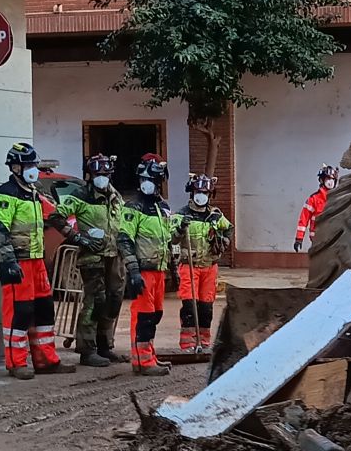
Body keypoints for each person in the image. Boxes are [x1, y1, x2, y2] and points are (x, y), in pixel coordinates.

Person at [0, 141, 70, 379]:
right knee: (19, 312)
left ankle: (46, 361)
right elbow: (0, 230)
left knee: (44, 310)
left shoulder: (34, 194)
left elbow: (54, 217)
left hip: (37, 261)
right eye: (29, 165)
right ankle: (16, 363)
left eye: (33, 164)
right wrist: (9, 261)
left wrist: (78, 237)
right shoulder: (5, 194)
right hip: (18, 262)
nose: (33, 168)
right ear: (15, 168)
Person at [55, 153, 139, 368]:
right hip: (92, 258)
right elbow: (55, 216)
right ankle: (87, 349)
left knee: (113, 301)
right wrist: (77, 237)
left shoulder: (115, 196)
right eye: (97, 174)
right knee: (94, 302)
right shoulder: (80, 195)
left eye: (105, 173)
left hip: (115, 257)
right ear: (90, 175)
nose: (101, 177)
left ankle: (105, 346)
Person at [119, 155, 177, 377]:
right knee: (143, 315)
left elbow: (169, 239)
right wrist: (133, 271)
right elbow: (124, 240)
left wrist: (174, 267)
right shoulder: (134, 207)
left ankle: (149, 355)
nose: (146, 182)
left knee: (156, 315)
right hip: (143, 269)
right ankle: (141, 361)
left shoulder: (163, 207)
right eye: (143, 178)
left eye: (151, 178)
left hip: (159, 270)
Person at [175, 173, 233, 362]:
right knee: (190, 306)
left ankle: (204, 342)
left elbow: (229, 228)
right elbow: (172, 238)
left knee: (206, 307)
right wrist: (179, 230)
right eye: (198, 192)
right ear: (192, 193)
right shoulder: (182, 215)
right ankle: (187, 343)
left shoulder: (215, 216)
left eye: (205, 192)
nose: (202, 195)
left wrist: (224, 240)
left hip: (209, 266)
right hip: (189, 266)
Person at [295, 165, 339, 252]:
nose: (330, 182)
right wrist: (299, 239)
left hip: (335, 238)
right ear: (322, 180)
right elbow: (303, 220)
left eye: (333, 179)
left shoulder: (338, 197)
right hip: (318, 239)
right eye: (328, 179)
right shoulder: (313, 199)